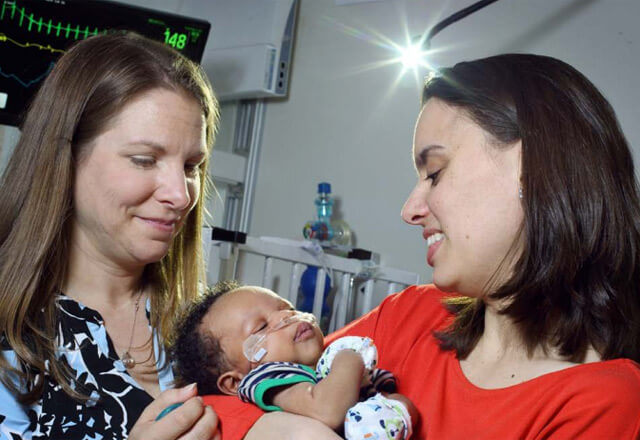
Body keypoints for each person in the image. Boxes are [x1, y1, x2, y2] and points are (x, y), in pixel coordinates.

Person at [202, 53, 640, 439]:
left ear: (535, 169)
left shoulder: (605, 404)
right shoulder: (409, 317)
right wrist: (279, 428)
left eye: (434, 172)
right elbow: (227, 393)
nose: (410, 209)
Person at [0, 32, 225, 439]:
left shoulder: (207, 323)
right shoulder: (11, 338)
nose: (180, 194)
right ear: (65, 159)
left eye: (191, 165)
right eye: (144, 160)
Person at [171, 281, 415, 439]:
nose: (286, 317)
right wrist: (349, 359)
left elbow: (384, 389)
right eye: (262, 326)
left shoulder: (325, 369)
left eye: (286, 307)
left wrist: (396, 404)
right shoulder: (264, 377)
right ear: (234, 383)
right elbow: (326, 410)